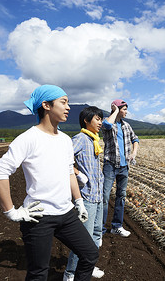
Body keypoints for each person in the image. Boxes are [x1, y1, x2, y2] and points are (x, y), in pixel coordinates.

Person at [0, 85, 98, 281]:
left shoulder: (65, 140)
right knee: (39, 273)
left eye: (68, 103)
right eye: (63, 102)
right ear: (46, 105)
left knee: (90, 254)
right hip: (38, 218)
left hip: (66, 214)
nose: (68, 107)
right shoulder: (28, 138)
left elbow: (68, 171)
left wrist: (79, 201)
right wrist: (11, 211)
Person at [64, 106, 105, 280]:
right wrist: (78, 174)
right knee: (83, 240)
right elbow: (63, 158)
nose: (100, 123)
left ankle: (89, 266)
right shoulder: (80, 139)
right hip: (86, 196)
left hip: (98, 196)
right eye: (97, 119)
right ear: (86, 121)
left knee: (96, 234)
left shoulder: (94, 140)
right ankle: (70, 273)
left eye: (101, 119)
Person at [102, 99, 139, 237]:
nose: (126, 112)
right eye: (124, 109)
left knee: (121, 196)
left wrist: (134, 153)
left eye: (125, 109)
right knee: (105, 197)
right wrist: (115, 111)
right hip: (110, 165)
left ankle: (116, 226)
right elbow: (106, 124)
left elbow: (135, 139)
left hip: (124, 167)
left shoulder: (127, 126)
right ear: (116, 109)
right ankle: (99, 230)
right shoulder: (108, 122)